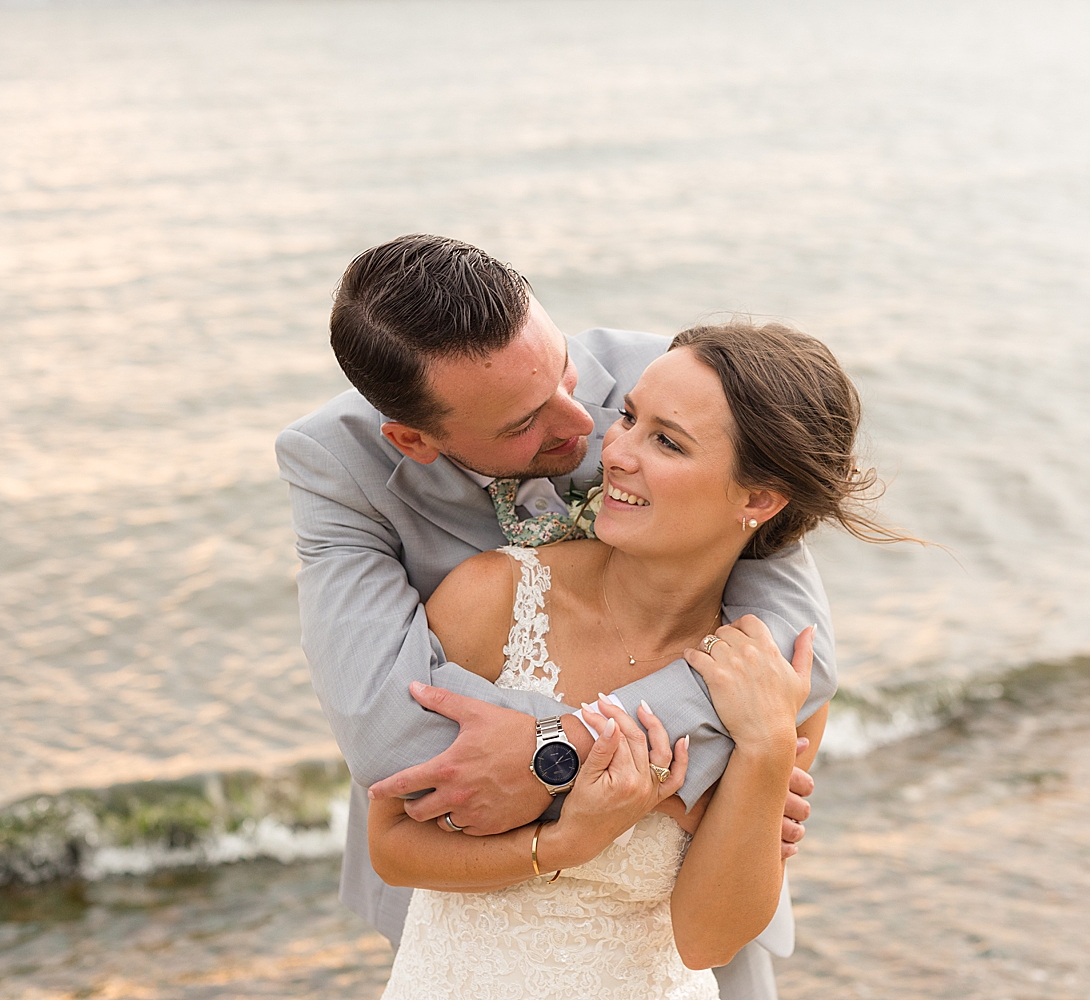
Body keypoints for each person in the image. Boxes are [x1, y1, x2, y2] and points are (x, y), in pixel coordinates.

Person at [275, 235, 838, 998]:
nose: (591, 430)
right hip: (477, 925)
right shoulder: (341, 471)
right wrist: (682, 785)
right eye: (522, 423)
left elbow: (798, 650)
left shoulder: (676, 382)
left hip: (683, 941)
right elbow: (393, 739)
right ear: (415, 439)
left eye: (564, 370)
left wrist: (566, 742)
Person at [370, 318, 890, 998]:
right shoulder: (495, 597)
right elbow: (391, 844)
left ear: (758, 499)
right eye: (631, 419)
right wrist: (563, 844)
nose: (614, 451)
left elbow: (708, 938)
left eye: (667, 441)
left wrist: (763, 749)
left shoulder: (772, 685)